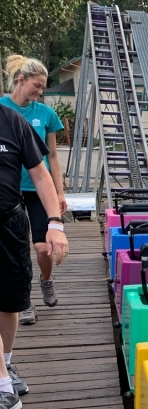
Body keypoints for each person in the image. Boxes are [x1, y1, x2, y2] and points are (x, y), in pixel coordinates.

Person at [0, 99, 68, 409]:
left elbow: (41, 175)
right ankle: (3, 389)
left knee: (10, 303)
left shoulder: (13, 122)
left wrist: (55, 223)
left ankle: (6, 363)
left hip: (10, 223)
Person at [0, 55, 66, 323]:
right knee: (16, 251)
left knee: (41, 248)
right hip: (10, 194)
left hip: (38, 189)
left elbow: (52, 157)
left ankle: (46, 280)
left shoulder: (46, 114)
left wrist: (60, 193)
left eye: (43, 87)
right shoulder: (3, 109)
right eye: (37, 86)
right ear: (20, 80)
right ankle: (23, 301)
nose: (41, 92)